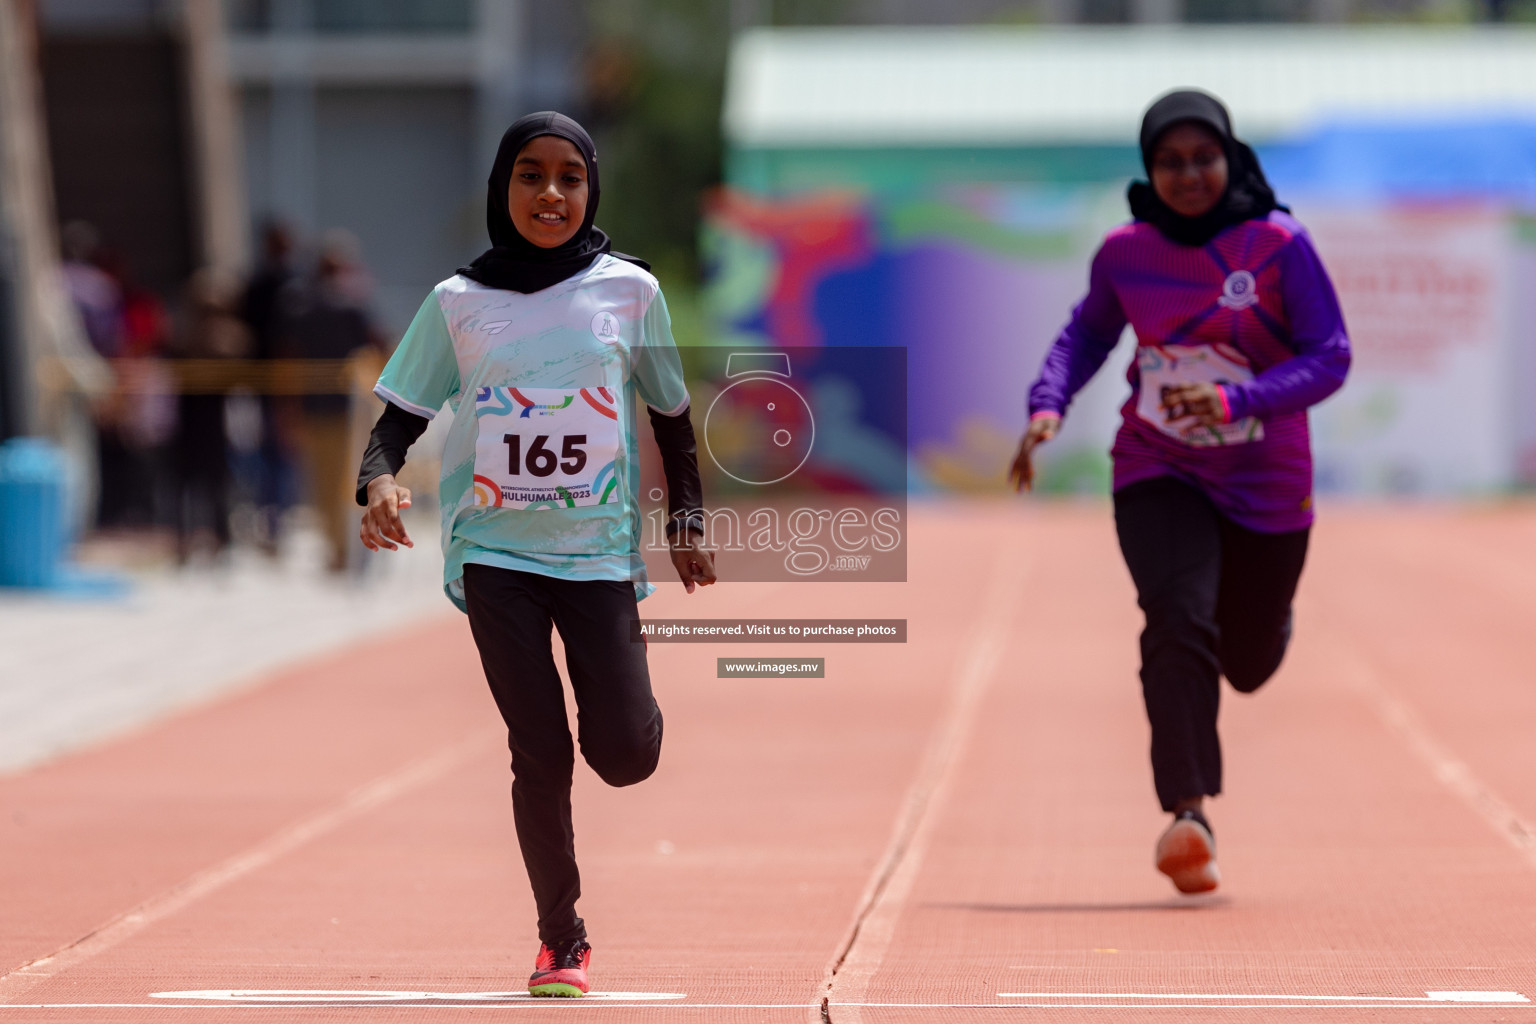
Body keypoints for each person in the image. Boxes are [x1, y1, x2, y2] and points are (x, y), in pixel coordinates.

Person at [355, 112, 717, 997]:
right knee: (538, 749)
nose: (549, 194)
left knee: (626, 755)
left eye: (568, 177)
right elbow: (397, 421)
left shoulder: (629, 292)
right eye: (529, 175)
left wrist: (687, 521)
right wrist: (378, 484)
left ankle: (629, 707)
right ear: (502, 187)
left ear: (591, 188)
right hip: (493, 556)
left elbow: (670, 413)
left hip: (595, 557)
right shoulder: (456, 302)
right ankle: (563, 939)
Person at [1010, 90, 1350, 895]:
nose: (1189, 175)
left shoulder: (1278, 244)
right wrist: (1047, 404)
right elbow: (1087, 331)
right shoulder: (1127, 251)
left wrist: (1238, 400)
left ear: (1230, 159)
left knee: (1248, 660)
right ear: (1148, 168)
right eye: (1170, 161)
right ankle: (1188, 815)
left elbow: (1329, 356)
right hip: (1158, 464)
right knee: (1175, 617)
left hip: (1267, 481)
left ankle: (1269, 619)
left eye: (1203, 158)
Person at [279, 229, 383, 572]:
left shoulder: (303, 307)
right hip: (344, 409)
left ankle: (341, 548)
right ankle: (347, 548)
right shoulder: (349, 307)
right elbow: (376, 347)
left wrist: (289, 409)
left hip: (319, 408)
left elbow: (289, 359)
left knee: (323, 485)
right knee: (348, 480)